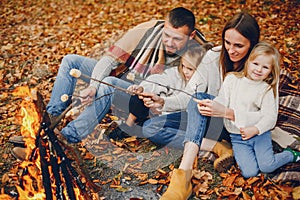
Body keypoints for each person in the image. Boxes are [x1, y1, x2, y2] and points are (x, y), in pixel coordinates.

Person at [10, 7, 208, 160]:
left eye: (177, 38)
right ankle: (48, 124)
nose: (169, 42)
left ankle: (66, 139)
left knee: (108, 83)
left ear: (190, 36)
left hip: (144, 99)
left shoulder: (199, 54)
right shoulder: (150, 31)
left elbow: (193, 96)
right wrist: (92, 87)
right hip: (128, 78)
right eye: (167, 35)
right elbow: (109, 60)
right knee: (71, 61)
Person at [159, 12, 261, 199]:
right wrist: (162, 101)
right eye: (227, 43)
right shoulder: (213, 55)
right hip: (207, 119)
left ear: (252, 44)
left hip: (235, 126)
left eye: (239, 45)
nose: (231, 50)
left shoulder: (260, 64)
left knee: (201, 97)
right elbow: (189, 96)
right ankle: (218, 147)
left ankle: (182, 178)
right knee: (152, 127)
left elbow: (262, 114)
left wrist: (226, 111)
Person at [210, 42, 299, 178]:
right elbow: (222, 100)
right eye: (256, 64)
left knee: (267, 166)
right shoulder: (232, 80)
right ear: (248, 62)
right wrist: (213, 105)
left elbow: (269, 117)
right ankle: (247, 157)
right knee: (249, 173)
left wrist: (256, 129)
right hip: (237, 136)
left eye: (265, 67)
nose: (259, 69)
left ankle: (290, 154)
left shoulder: (265, 89)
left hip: (259, 135)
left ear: (271, 71)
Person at [108, 44, 204, 140]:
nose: (185, 71)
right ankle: (129, 125)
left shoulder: (201, 84)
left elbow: (184, 103)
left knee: (149, 127)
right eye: (183, 66)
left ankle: (140, 127)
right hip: (156, 108)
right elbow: (157, 80)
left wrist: (162, 104)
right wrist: (142, 88)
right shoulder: (177, 74)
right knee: (136, 94)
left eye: (190, 69)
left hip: (172, 117)